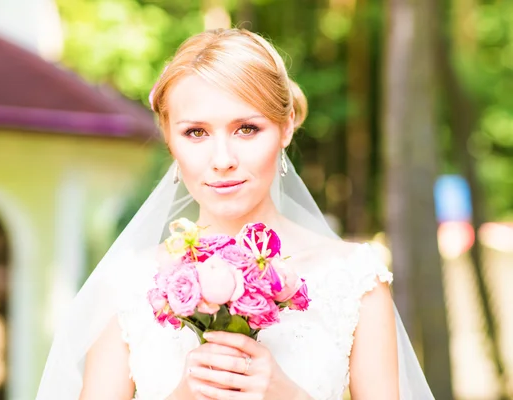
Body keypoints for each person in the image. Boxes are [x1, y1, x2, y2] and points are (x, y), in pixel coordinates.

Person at [36, 28, 435, 400]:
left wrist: (285, 393)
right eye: (196, 133)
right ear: (168, 136)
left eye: (246, 128)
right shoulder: (127, 284)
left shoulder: (356, 280)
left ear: (287, 126)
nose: (222, 160)